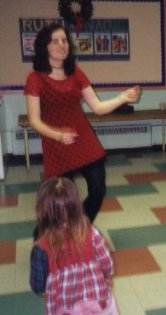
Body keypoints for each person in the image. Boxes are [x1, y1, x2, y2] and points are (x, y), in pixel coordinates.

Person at [24, 23, 141, 224]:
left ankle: (80, 228)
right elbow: (34, 120)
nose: (62, 45)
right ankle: (57, 235)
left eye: (64, 40)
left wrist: (122, 97)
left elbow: (97, 107)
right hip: (57, 144)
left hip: (84, 140)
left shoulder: (76, 73)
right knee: (61, 201)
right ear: (45, 47)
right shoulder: (35, 79)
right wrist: (59, 135)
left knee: (98, 190)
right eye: (55, 41)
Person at [29, 177, 117, 315]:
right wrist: (107, 277)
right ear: (77, 206)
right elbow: (107, 263)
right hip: (97, 303)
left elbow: (37, 285)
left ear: (42, 212)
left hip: (64, 307)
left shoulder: (41, 248)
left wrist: (46, 289)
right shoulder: (92, 233)